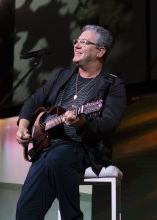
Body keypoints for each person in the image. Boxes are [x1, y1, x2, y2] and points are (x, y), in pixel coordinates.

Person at [15, 24, 126, 220]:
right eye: (77, 41)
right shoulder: (63, 76)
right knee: (25, 214)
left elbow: (109, 123)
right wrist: (23, 126)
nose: (77, 45)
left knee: (57, 157)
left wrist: (81, 123)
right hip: (47, 148)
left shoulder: (112, 84)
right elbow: (33, 101)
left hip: (83, 148)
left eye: (84, 42)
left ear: (100, 51)